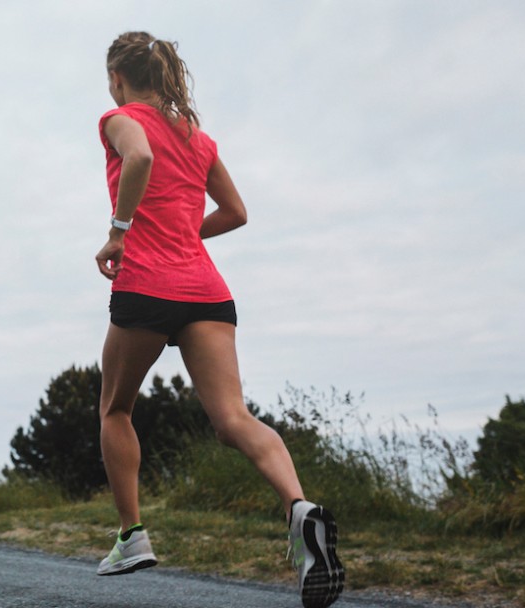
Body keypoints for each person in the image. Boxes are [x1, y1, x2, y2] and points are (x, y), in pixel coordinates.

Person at [90, 31, 344, 608]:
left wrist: (120, 233)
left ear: (119, 78)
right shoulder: (197, 138)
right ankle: (299, 510)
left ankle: (131, 536)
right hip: (206, 289)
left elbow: (139, 156)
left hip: (148, 285)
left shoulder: (117, 118)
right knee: (233, 418)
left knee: (116, 407)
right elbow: (236, 212)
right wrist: (182, 231)